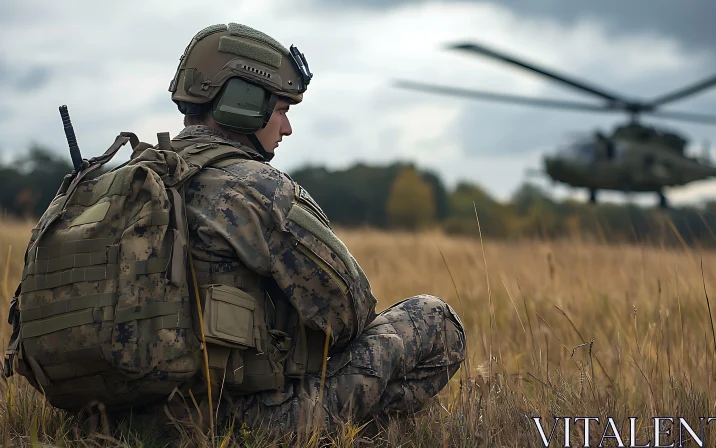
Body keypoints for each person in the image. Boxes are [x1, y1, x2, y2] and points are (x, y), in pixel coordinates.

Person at [127, 22, 466, 436]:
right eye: (282, 110)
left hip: (121, 417)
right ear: (243, 102)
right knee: (435, 320)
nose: (287, 128)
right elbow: (350, 313)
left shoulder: (123, 184)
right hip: (238, 426)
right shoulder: (257, 187)